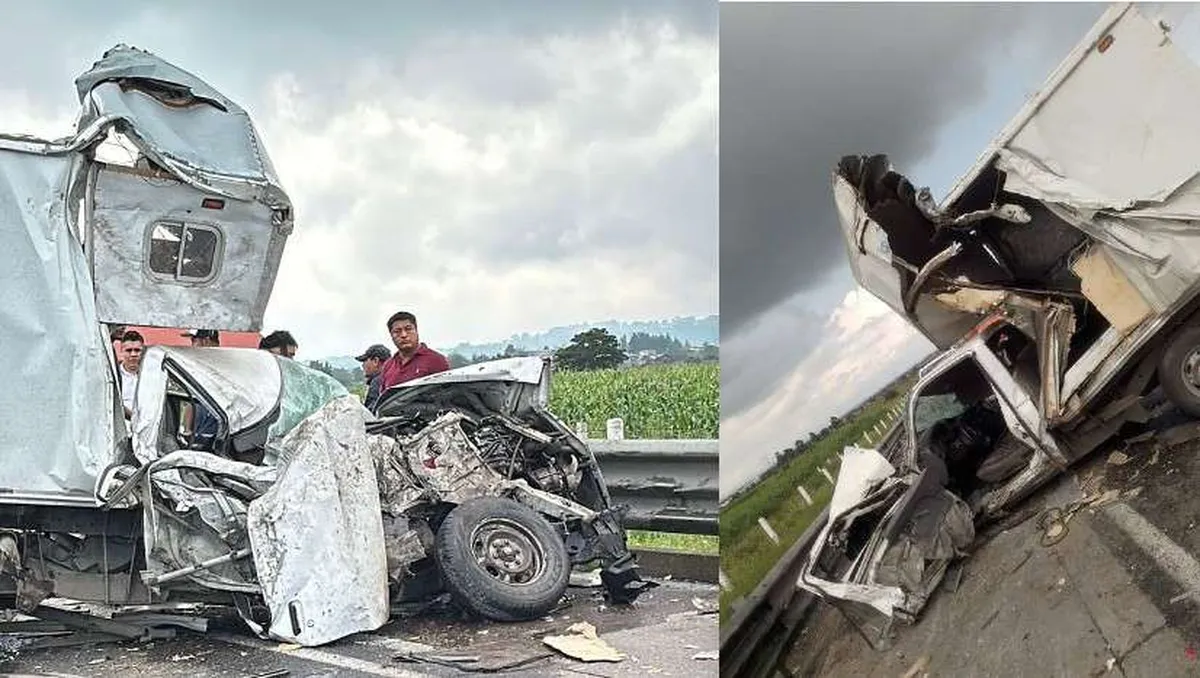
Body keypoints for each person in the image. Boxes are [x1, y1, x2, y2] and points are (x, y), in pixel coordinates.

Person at [377, 311, 450, 391]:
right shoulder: (388, 365)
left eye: (408, 329)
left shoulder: (436, 360)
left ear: (416, 331)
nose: (404, 335)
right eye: (397, 331)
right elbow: (383, 399)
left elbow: (447, 397)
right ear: (391, 336)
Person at [355, 343, 392, 411]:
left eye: (365, 361)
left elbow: (371, 413)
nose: (363, 365)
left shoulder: (377, 382)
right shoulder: (393, 378)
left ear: (375, 361)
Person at [118, 330, 144, 420]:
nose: (133, 354)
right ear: (121, 351)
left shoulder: (151, 376)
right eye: (129, 350)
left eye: (137, 350)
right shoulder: (116, 376)